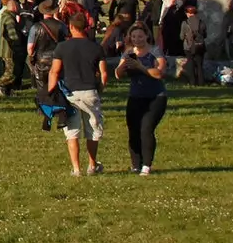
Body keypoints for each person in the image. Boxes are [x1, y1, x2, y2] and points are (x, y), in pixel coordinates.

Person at [46, 13, 108, 177]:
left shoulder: (62, 47)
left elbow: (54, 71)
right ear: (86, 27)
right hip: (89, 91)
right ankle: (92, 165)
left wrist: (51, 94)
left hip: (69, 92)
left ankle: (76, 169)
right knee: (93, 131)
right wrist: (100, 88)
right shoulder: (96, 47)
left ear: (71, 27)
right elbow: (104, 74)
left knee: (72, 131)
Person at [115, 24, 167, 175]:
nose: (137, 39)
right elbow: (118, 75)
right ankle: (135, 164)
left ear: (146, 36)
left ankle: (147, 165)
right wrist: (123, 65)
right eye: (134, 37)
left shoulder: (155, 51)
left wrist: (140, 67)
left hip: (156, 97)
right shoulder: (128, 52)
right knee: (133, 130)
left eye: (140, 36)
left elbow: (159, 73)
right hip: (135, 96)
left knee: (146, 129)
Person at [0, 0, 20, 96]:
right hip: (8, 48)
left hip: (4, 47)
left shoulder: (5, 15)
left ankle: (8, 90)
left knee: (9, 68)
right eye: (17, 6)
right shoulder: (9, 19)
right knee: (11, 71)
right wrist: (18, 41)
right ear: (13, 7)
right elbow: (12, 34)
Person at [179, 4, 206, 85]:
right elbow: (205, 35)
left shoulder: (185, 23)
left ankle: (192, 81)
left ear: (187, 13)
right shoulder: (201, 22)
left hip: (188, 46)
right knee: (199, 64)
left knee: (190, 63)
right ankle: (201, 82)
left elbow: (181, 36)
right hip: (200, 45)